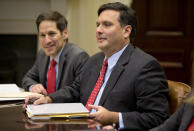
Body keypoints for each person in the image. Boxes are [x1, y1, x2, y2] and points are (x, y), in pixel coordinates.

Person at [25, 2, 169, 130]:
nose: (98, 30)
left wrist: (114, 118)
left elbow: (157, 117)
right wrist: (49, 99)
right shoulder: (95, 59)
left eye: (106, 25)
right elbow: (75, 89)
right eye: (98, 25)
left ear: (126, 31)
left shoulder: (146, 66)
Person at [22, 11, 89, 95]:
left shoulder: (79, 57)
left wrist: (49, 99)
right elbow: (27, 78)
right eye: (42, 35)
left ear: (65, 34)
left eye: (51, 34)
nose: (47, 41)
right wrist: (33, 86)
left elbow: (77, 91)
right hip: (43, 107)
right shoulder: (42, 54)